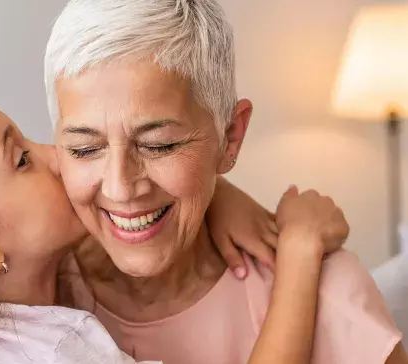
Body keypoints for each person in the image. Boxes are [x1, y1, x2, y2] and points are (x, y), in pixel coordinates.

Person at [0, 82, 347, 364]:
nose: (57, 156)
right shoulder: (55, 353)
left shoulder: (3, 311)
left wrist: (216, 192)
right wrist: (301, 250)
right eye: (22, 159)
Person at [46, 0, 406, 363]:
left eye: (160, 145)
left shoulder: (326, 288)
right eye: (85, 148)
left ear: (230, 136)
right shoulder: (29, 295)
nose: (119, 187)